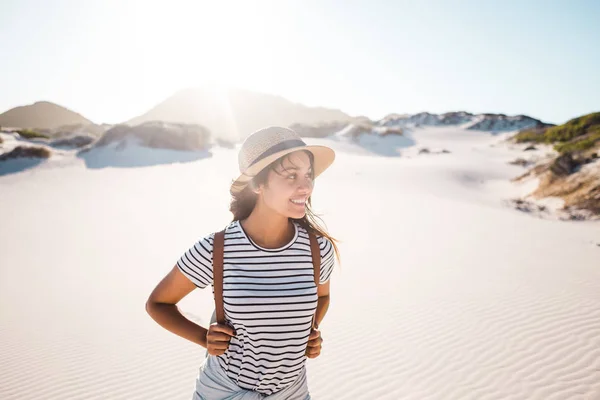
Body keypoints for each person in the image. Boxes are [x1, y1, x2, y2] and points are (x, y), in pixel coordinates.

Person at [146, 126, 341, 399]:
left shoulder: (317, 248)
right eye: (291, 175)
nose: (306, 186)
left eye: (309, 175)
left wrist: (309, 331)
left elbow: (323, 297)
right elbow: (157, 304)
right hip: (226, 391)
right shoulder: (216, 249)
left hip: (293, 392)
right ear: (257, 184)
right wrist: (204, 338)